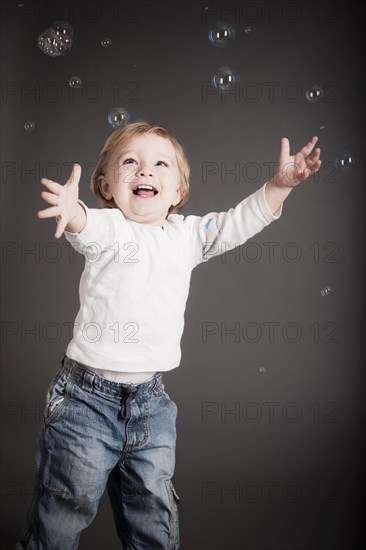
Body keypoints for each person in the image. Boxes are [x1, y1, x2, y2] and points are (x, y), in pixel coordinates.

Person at [16, 121, 321, 549]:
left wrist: (279, 186)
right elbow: (87, 227)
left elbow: (237, 223)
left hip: (151, 407)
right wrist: (73, 212)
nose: (145, 172)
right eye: (130, 163)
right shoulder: (109, 229)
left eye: (160, 164)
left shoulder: (187, 237)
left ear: (178, 191)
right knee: (65, 510)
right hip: (84, 404)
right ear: (106, 186)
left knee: (153, 518)